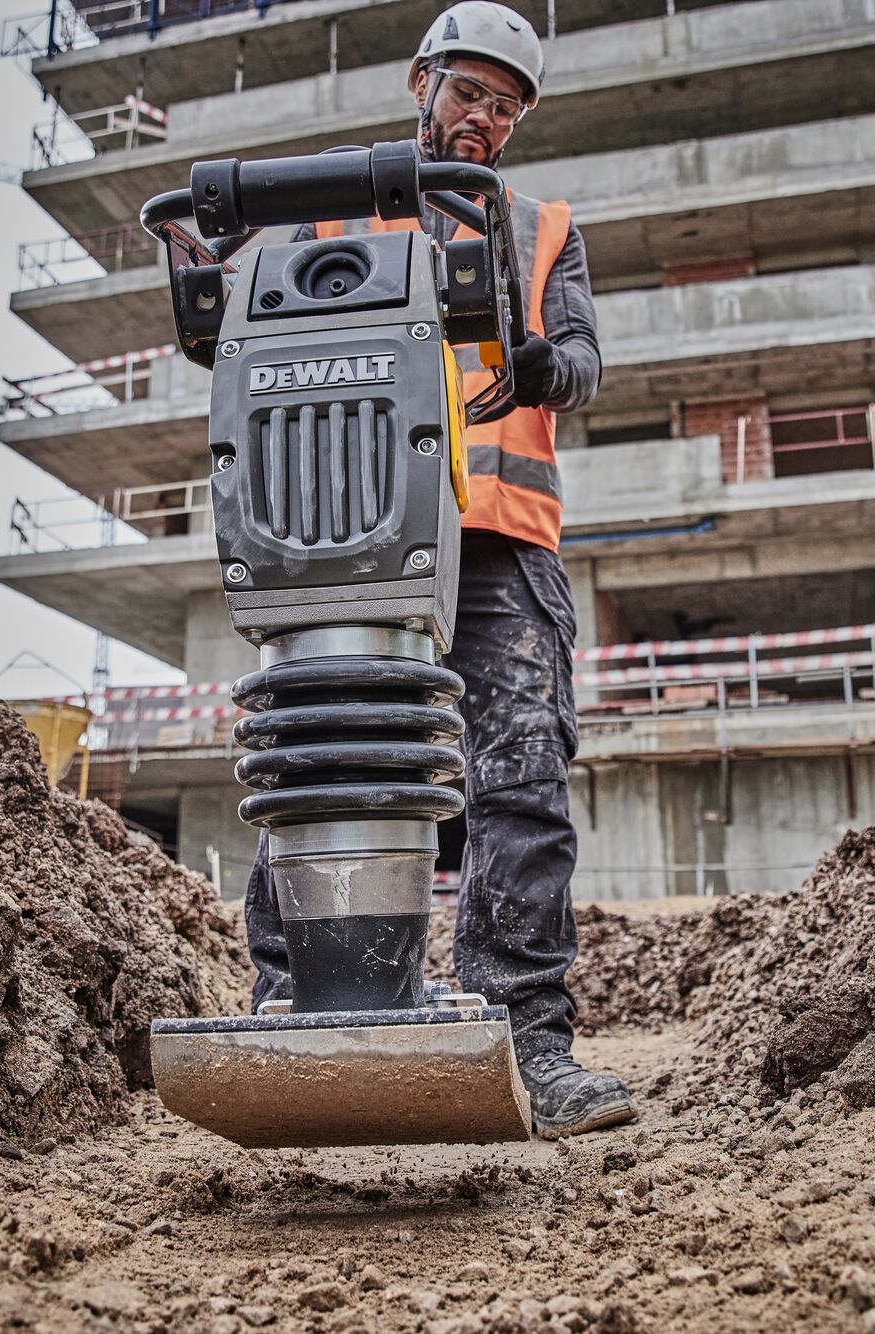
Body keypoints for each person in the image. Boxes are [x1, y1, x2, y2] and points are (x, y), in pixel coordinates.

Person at [242, 1, 634, 1138]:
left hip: (501, 537)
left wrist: (533, 363)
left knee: (516, 783)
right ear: (420, 79)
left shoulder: (540, 225)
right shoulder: (326, 211)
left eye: (504, 107)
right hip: (352, 525)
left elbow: (581, 365)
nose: (484, 120)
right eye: (469, 92)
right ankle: (293, 1007)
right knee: (328, 766)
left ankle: (526, 1040)